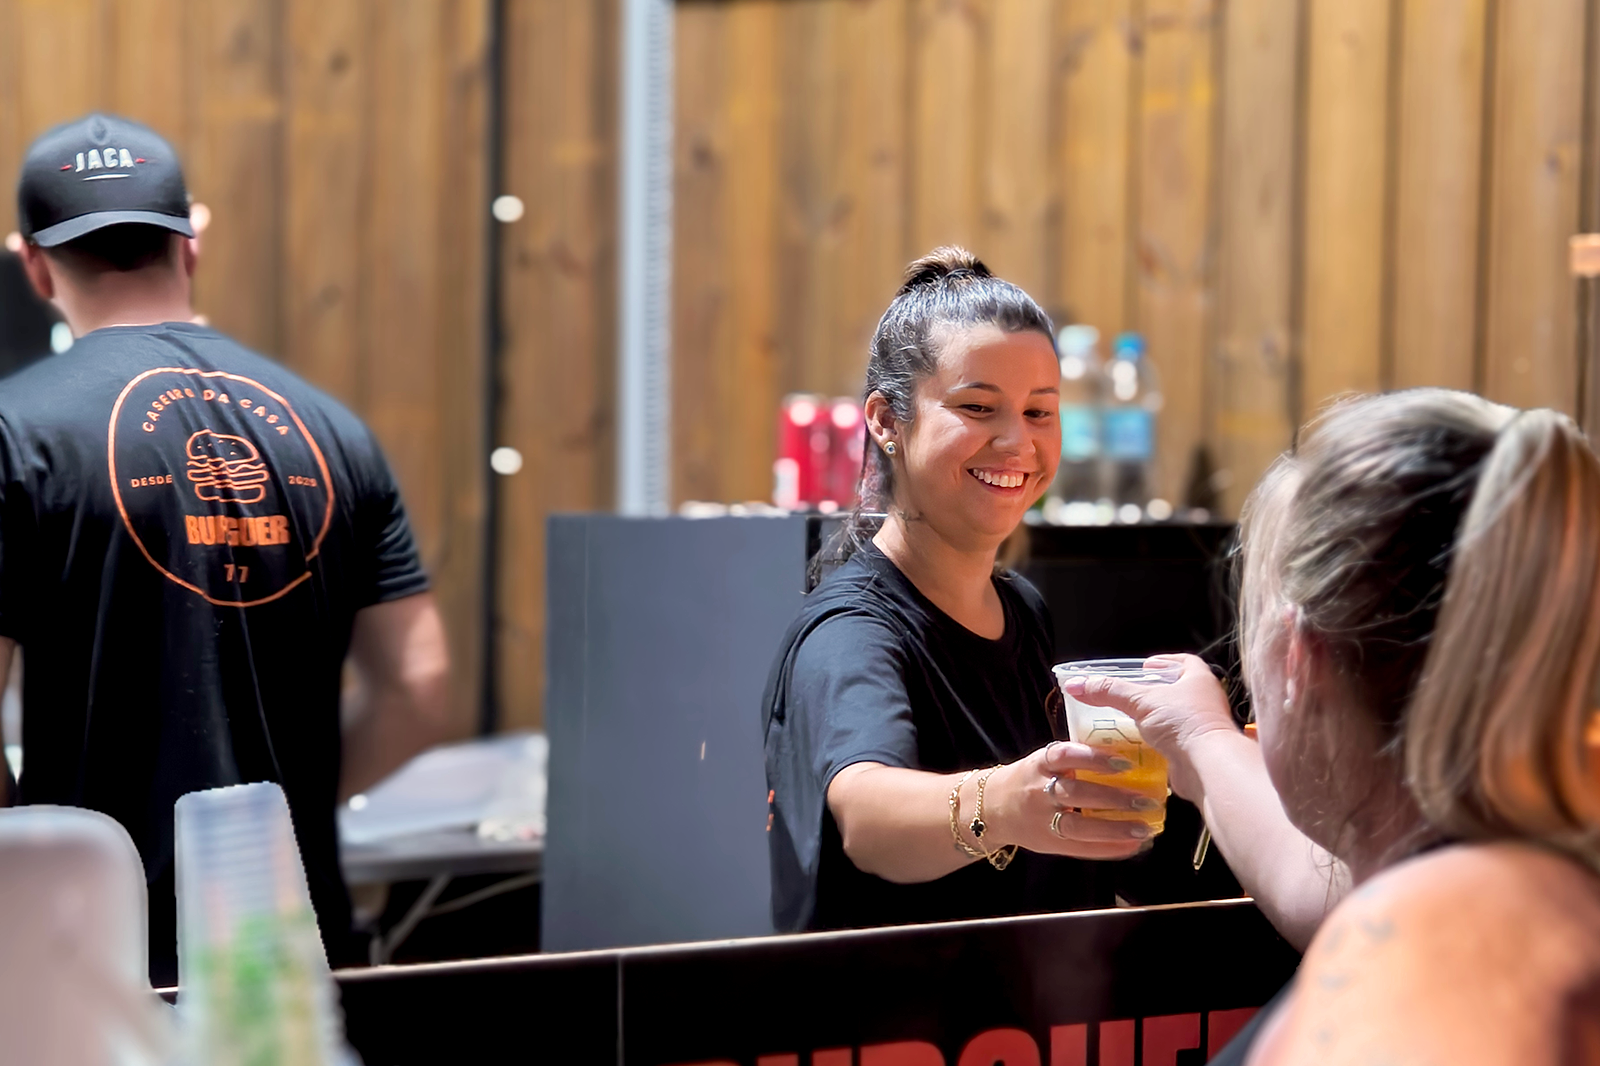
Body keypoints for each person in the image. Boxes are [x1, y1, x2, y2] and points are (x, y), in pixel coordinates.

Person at [5, 113, 453, 983]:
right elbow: (418, 688)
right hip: (286, 959)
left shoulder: (14, 434)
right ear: (192, 243)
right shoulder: (335, 433)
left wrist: (35, 860)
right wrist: (272, 816)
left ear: (33, 264)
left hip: (91, 966)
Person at [1064, 390, 1600, 1062]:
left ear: (1299, 655)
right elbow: (1318, 880)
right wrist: (1202, 739)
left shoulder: (1414, 964)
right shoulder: (1532, 862)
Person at [762, 248, 1154, 933]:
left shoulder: (1022, 610)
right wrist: (1005, 802)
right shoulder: (851, 631)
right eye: (978, 407)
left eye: (1040, 412)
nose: (1017, 442)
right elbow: (868, 818)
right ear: (886, 421)